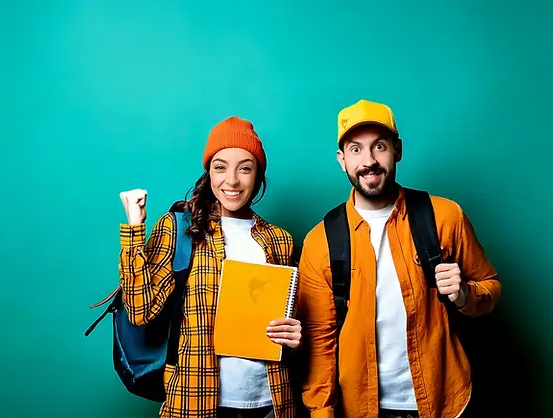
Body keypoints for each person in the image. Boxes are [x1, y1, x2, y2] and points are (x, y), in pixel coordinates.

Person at [295, 100, 502, 418]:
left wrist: (464, 295)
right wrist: (322, 412)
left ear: (398, 150)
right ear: (342, 160)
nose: (369, 161)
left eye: (379, 146)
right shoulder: (320, 240)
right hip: (360, 408)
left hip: (444, 401)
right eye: (355, 150)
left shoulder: (444, 216)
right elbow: (320, 339)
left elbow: (490, 289)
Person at [118, 116, 302, 418]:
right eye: (221, 167)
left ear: (258, 175)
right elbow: (139, 310)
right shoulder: (180, 229)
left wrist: (295, 336)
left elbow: (290, 325)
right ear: (209, 173)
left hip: (273, 401)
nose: (232, 180)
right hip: (195, 399)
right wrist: (135, 228)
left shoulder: (279, 240)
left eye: (245, 167)